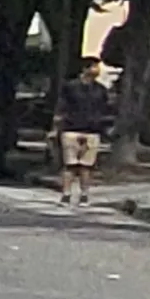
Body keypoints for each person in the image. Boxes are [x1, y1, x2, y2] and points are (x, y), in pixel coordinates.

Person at [53, 58, 118, 205]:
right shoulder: (70, 87)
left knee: (86, 166)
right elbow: (61, 108)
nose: (98, 70)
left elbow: (106, 109)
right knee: (69, 164)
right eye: (94, 67)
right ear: (85, 69)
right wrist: (56, 127)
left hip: (92, 131)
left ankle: (84, 194)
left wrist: (107, 127)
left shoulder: (101, 90)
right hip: (71, 129)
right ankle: (66, 194)